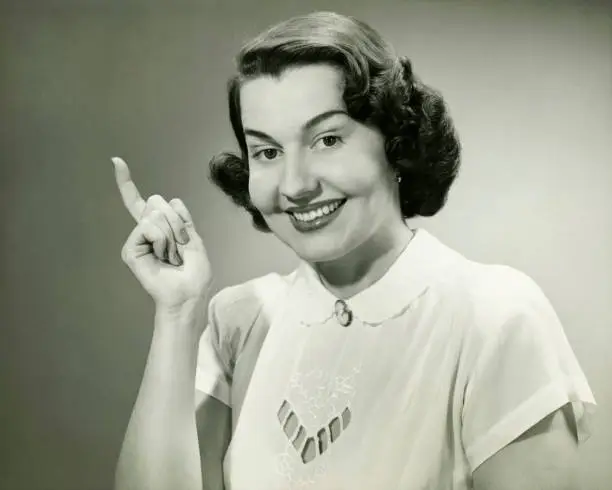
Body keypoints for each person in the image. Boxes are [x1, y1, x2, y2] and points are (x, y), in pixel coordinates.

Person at [113, 11, 596, 490]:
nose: (296, 184)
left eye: (327, 139)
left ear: (397, 142)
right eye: (267, 152)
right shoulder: (240, 320)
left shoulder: (495, 316)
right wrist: (177, 312)